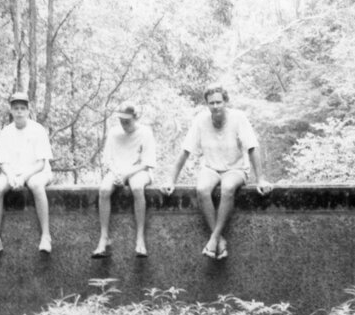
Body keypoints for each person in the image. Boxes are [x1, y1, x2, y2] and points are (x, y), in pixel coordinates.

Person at [161, 83, 273, 259]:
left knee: (227, 188)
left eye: (218, 102)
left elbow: (252, 147)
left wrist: (260, 179)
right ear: (207, 104)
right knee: (202, 189)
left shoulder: (238, 118)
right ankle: (219, 239)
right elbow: (185, 151)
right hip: (211, 167)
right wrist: (171, 180)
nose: (215, 106)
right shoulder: (201, 120)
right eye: (211, 103)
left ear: (225, 101)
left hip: (236, 168)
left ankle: (213, 239)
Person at [0, 91, 54, 257]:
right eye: (16, 108)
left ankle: (46, 236)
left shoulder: (38, 130)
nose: (19, 112)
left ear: (28, 110)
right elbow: (2, 162)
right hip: (13, 172)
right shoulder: (6, 132)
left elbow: (41, 163)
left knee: (35, 185)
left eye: (22, 108)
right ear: (11, 111)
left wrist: (23, 177)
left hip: (38, 171)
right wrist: (11, 176)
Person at [92, 101, 156, 258]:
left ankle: (140, 238)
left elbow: (147, 163)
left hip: (139, 170)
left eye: (127, 121)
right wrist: (117, 173)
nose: (124, 125)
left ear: (135, 118)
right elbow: (107, 160)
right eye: (121, 121)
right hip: (117, 170)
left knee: (137, 188)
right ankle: (104, 237)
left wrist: (126, 174)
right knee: (104, 190)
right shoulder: (114, 133)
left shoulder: (145, 132)